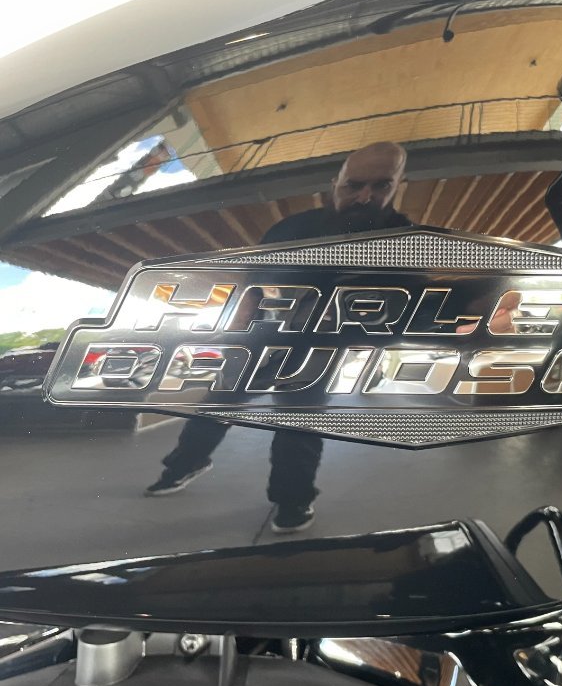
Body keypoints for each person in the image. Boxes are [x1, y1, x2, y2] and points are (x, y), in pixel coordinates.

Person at [145, 142, 411, 534]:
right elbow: (254, 282)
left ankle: (292, 498)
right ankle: (185, 464)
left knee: (299, 419)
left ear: (399, 185)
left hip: (324, 343)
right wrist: (238, 328)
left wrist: (373, 339)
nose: (364, 196)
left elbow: (405, 307)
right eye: (353, 185)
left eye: (381, 185)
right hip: (264, 334)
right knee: (219, 402)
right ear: (335, 183)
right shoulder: (292, 228)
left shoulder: (406, 241)